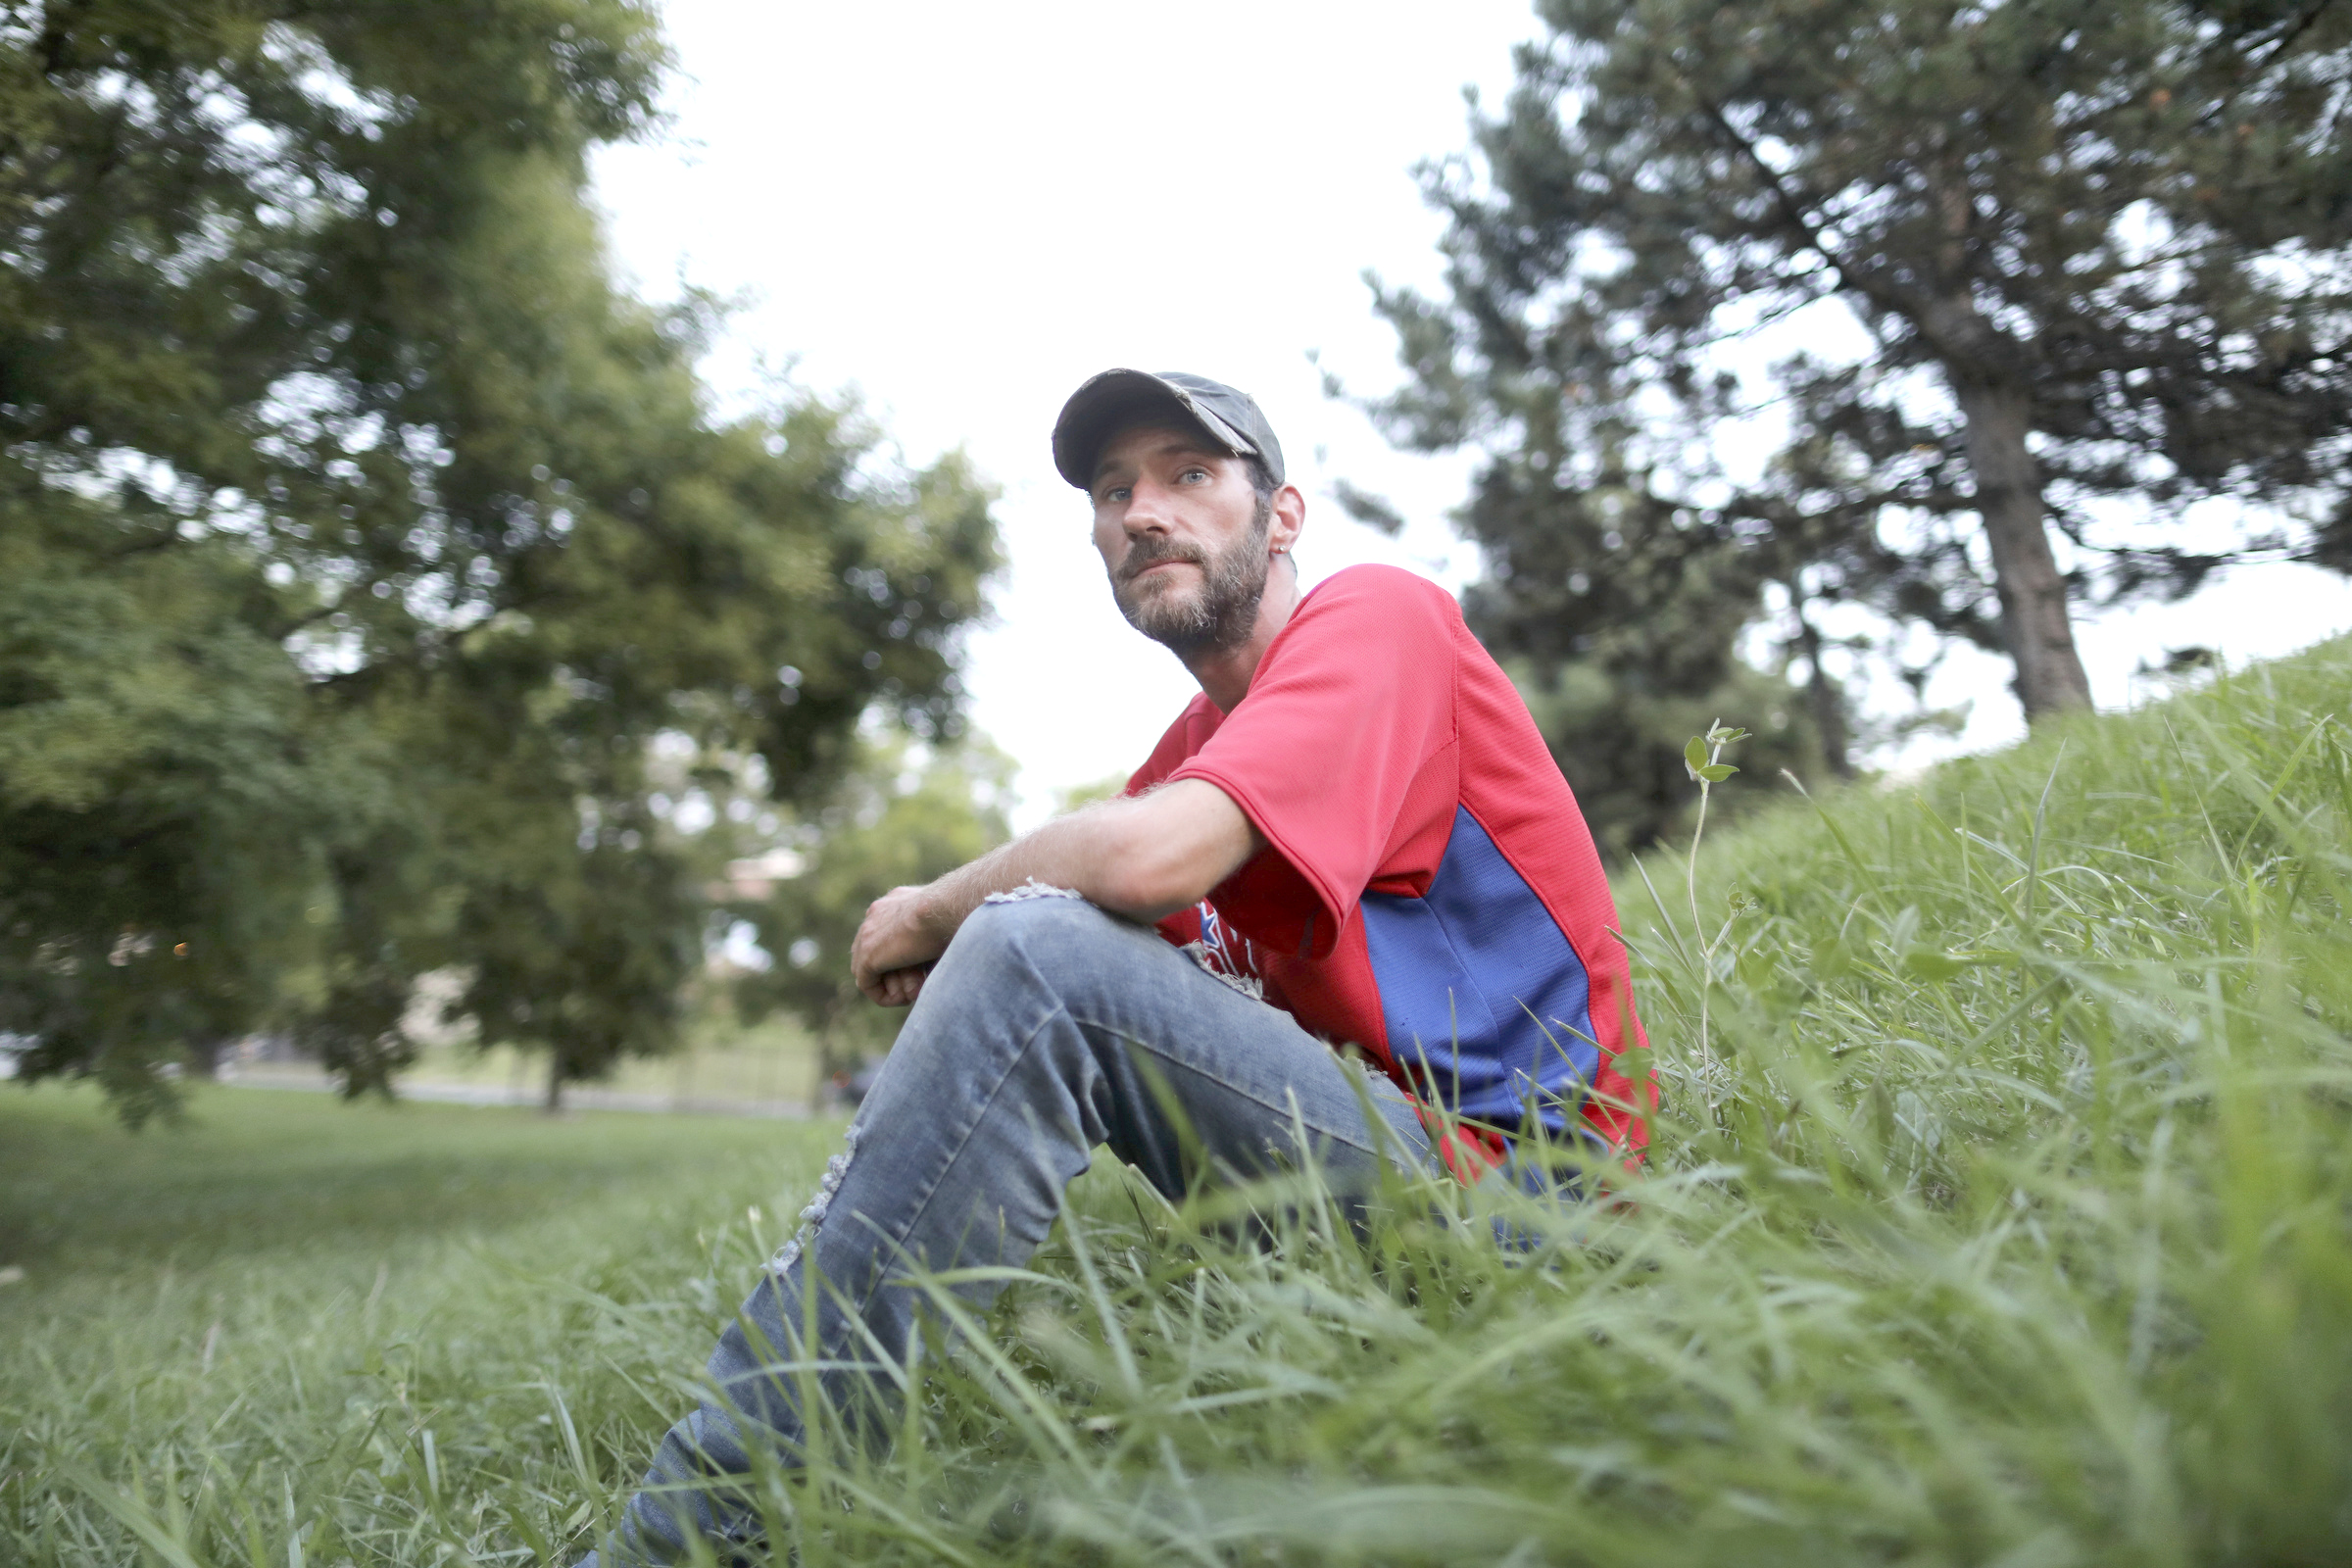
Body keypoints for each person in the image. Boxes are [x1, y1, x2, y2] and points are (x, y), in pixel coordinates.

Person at [582, 369, 1653, 1564]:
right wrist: (969, 952)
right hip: (1386, 1205)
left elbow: (1134, 870)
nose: (1142, 511)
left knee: (1028, 949)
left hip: (1539, 1219)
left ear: (1281, 515)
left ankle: (684, 1542)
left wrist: (938, 908)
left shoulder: (1381, 620)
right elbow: (1091, 934)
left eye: (1189, 475)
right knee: (1028, 946)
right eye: (1112, 490)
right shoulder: (1195, 755)